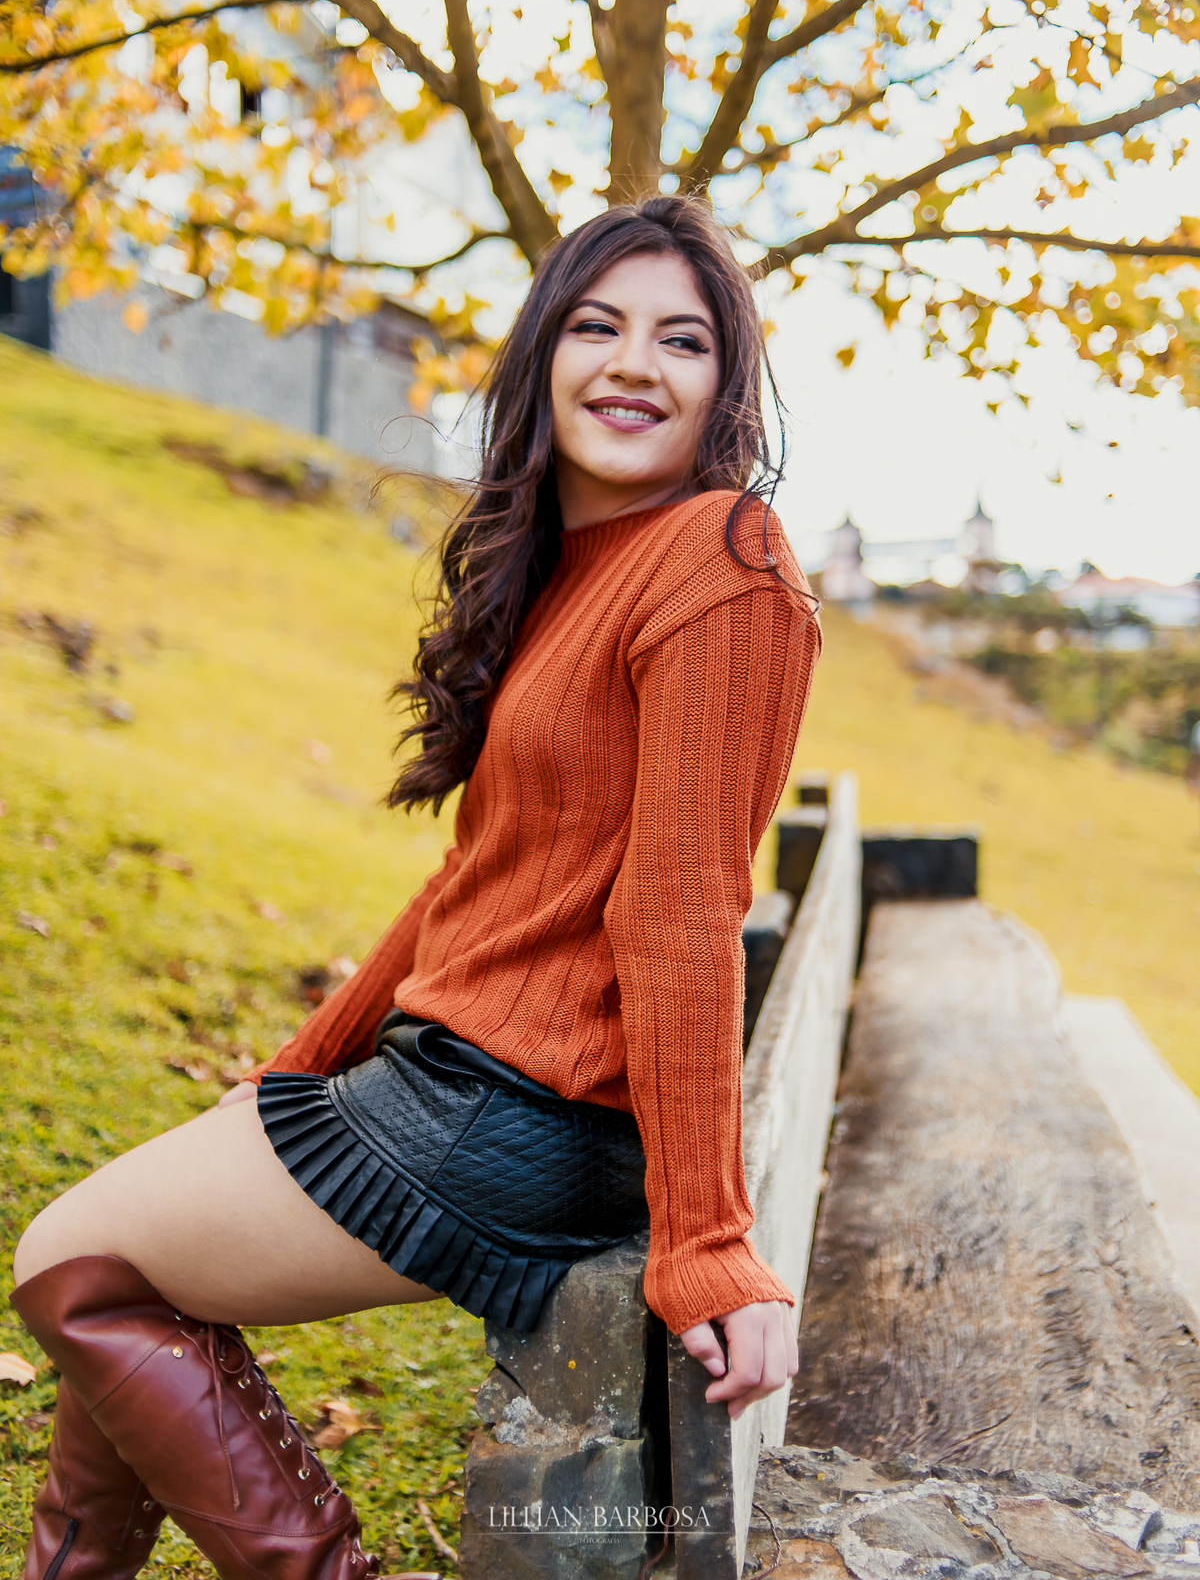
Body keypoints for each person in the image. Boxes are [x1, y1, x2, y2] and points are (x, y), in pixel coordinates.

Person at [11, 194, 822, 1580]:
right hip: (462, 1086)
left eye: (681, 341)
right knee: (118, 1261)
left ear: (724, 390)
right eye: (596, 325)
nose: (634, 363)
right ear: (541, 358)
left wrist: (707, 1238)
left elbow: (687, 903)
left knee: (72, 1263)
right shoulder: (572, 575)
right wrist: (292, 1070)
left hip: (520, 1114)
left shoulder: (723, 561)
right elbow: (477, 878)